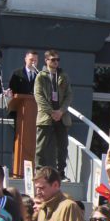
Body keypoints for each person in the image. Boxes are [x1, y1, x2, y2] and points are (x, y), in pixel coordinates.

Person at [34, 50, 73, 178]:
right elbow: (38, 96)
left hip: (62, 116)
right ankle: (39, 171)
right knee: (42, 146)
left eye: (57, 60)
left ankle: (60, 172)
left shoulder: (63, 76)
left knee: (62, 146)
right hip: (46, 116)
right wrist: (51, 112)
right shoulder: (41, 76)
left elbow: (69, 95)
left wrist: (61, 111)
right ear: (46, 60)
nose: (56, 62)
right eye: (53, 59)